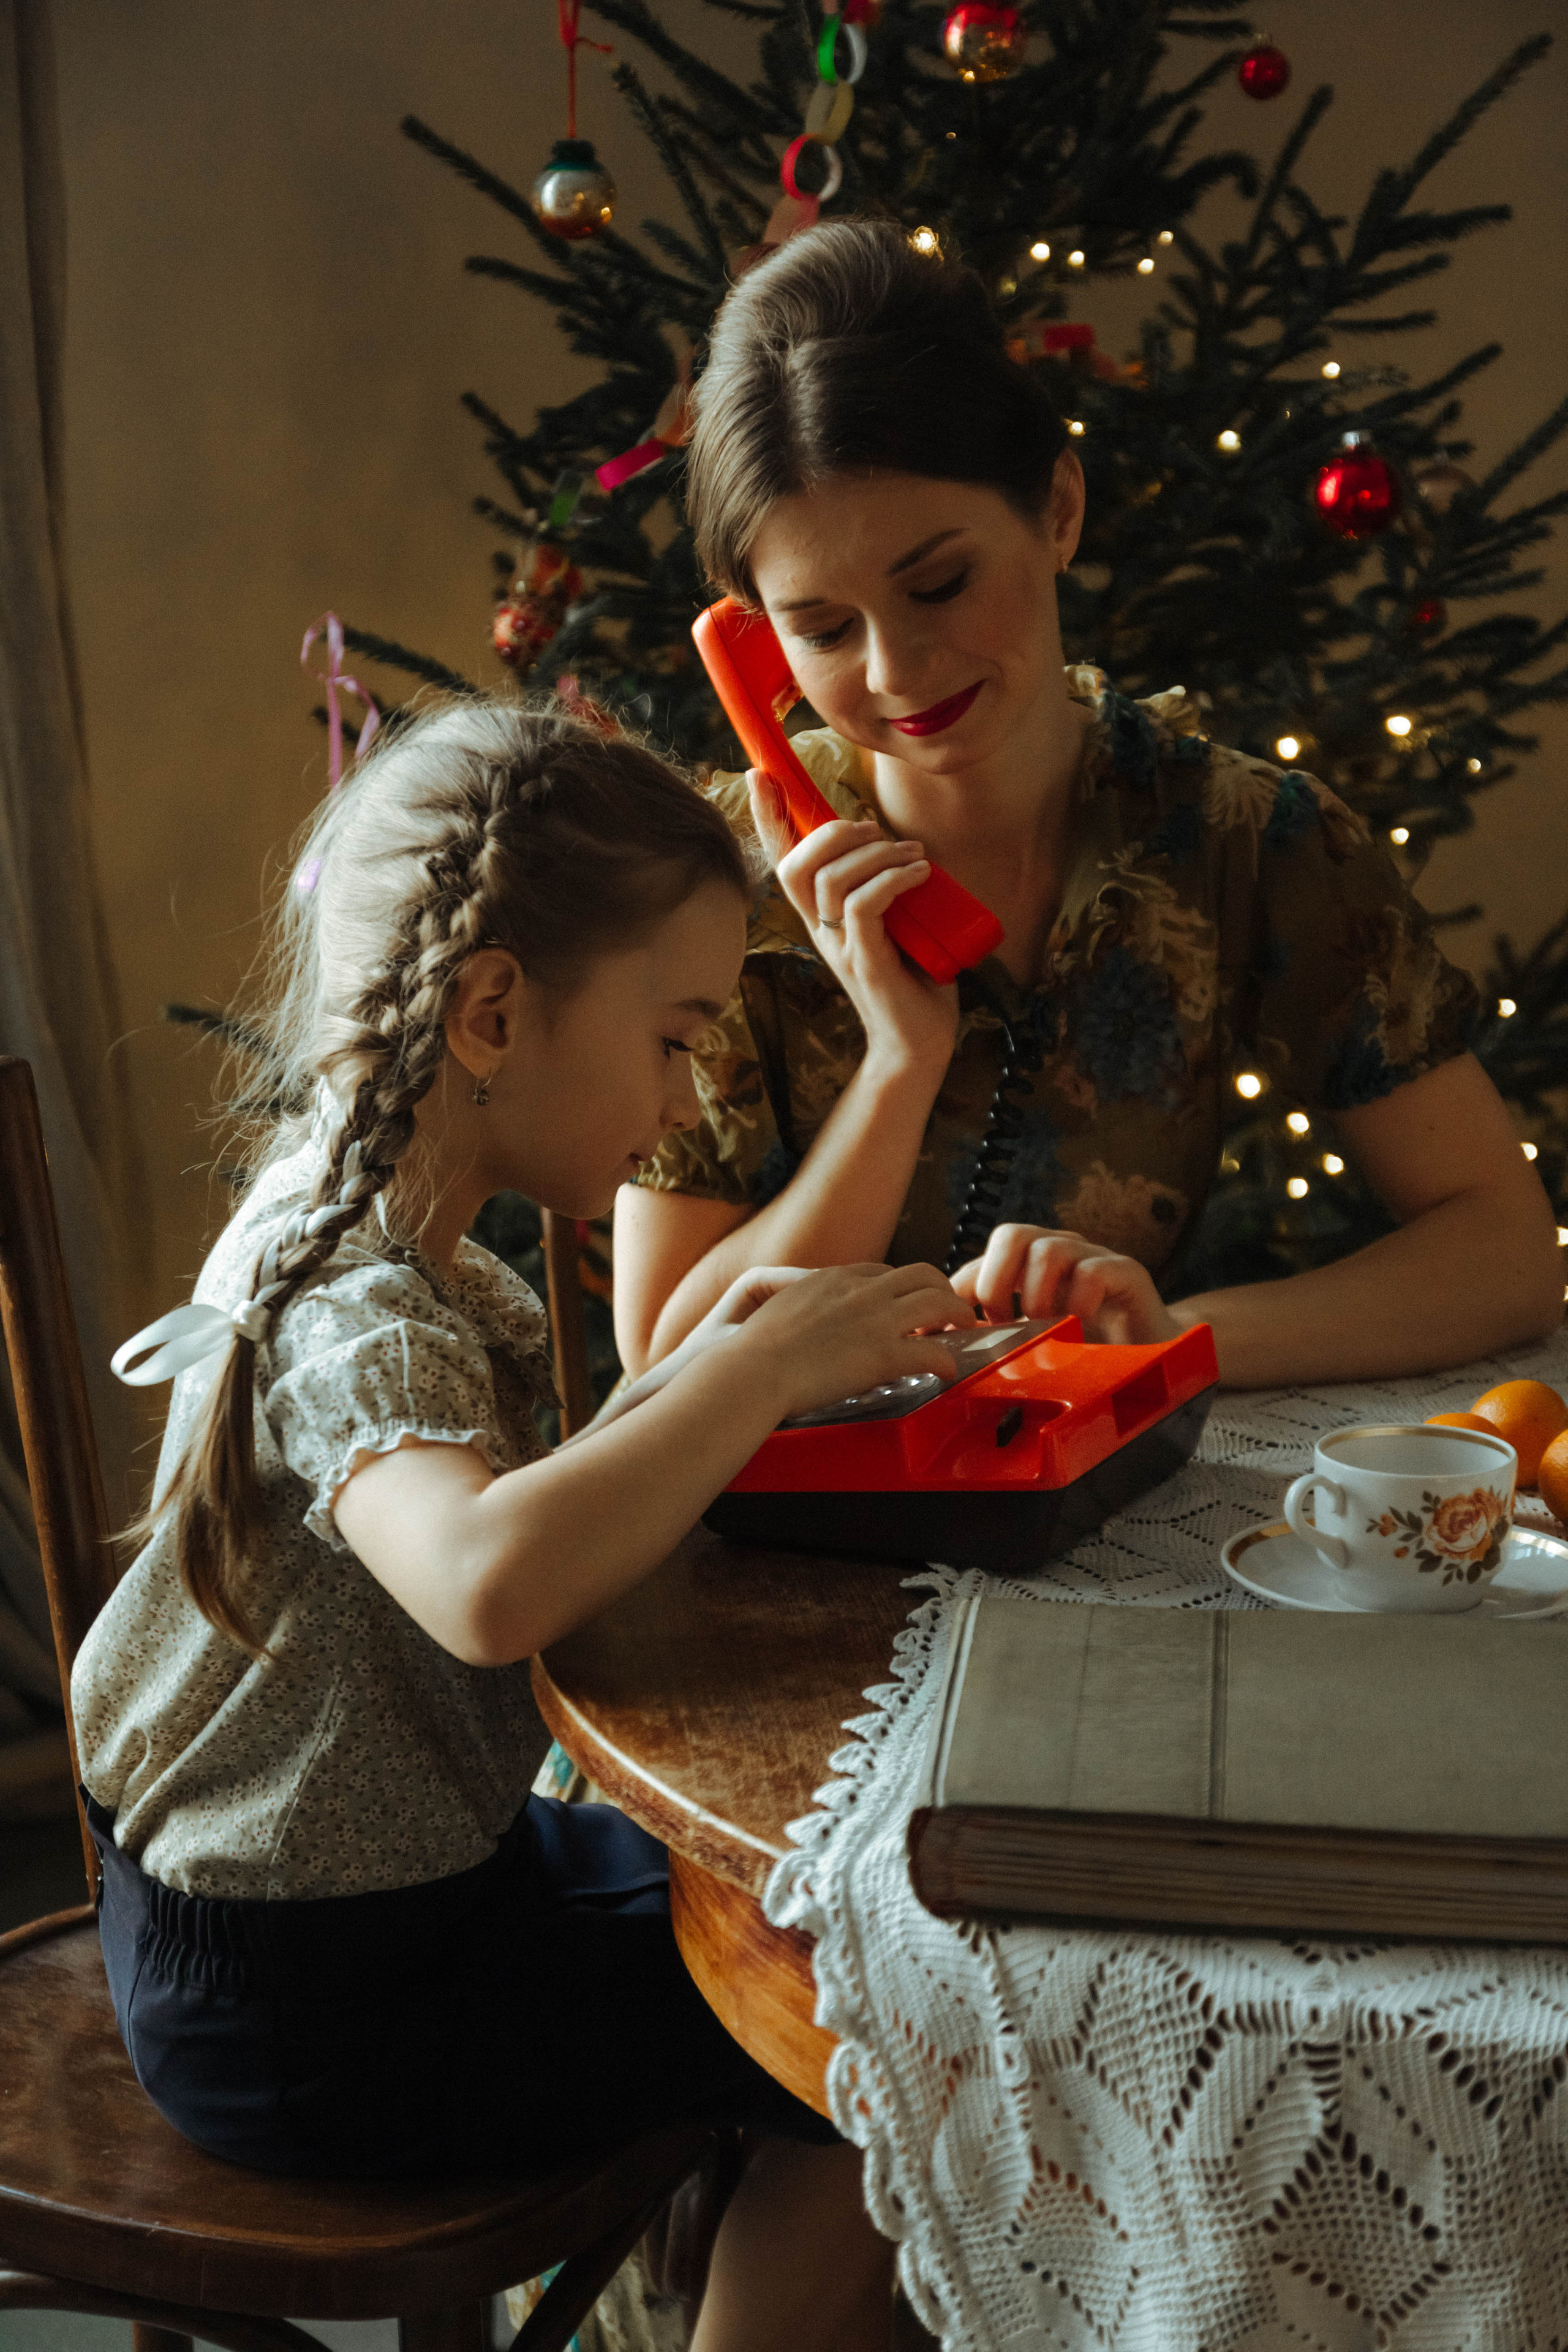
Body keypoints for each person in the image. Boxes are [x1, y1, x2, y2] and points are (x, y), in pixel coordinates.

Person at [76, 701, 971, 2352]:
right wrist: (758, 1360)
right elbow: (490, 1582)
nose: (691, 1089)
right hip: (321, 2003)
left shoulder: (382, 1235)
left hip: (341, 1920)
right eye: (679, 1035)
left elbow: (553, 1492)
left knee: (812, 1914)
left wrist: (722, 1362)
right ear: (495, 1010)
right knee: (887, 2033)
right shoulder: (348, 1303)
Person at [615, 219, 1563, 1392]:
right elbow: (660, 1363)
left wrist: (1171, 1340)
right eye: (821, 630)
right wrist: (899, 1068)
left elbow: (1508, 1252)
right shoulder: (709, 886)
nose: (898, 672)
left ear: (1057, 509)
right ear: (755, 642)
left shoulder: (1252, 842)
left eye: (940, 583)